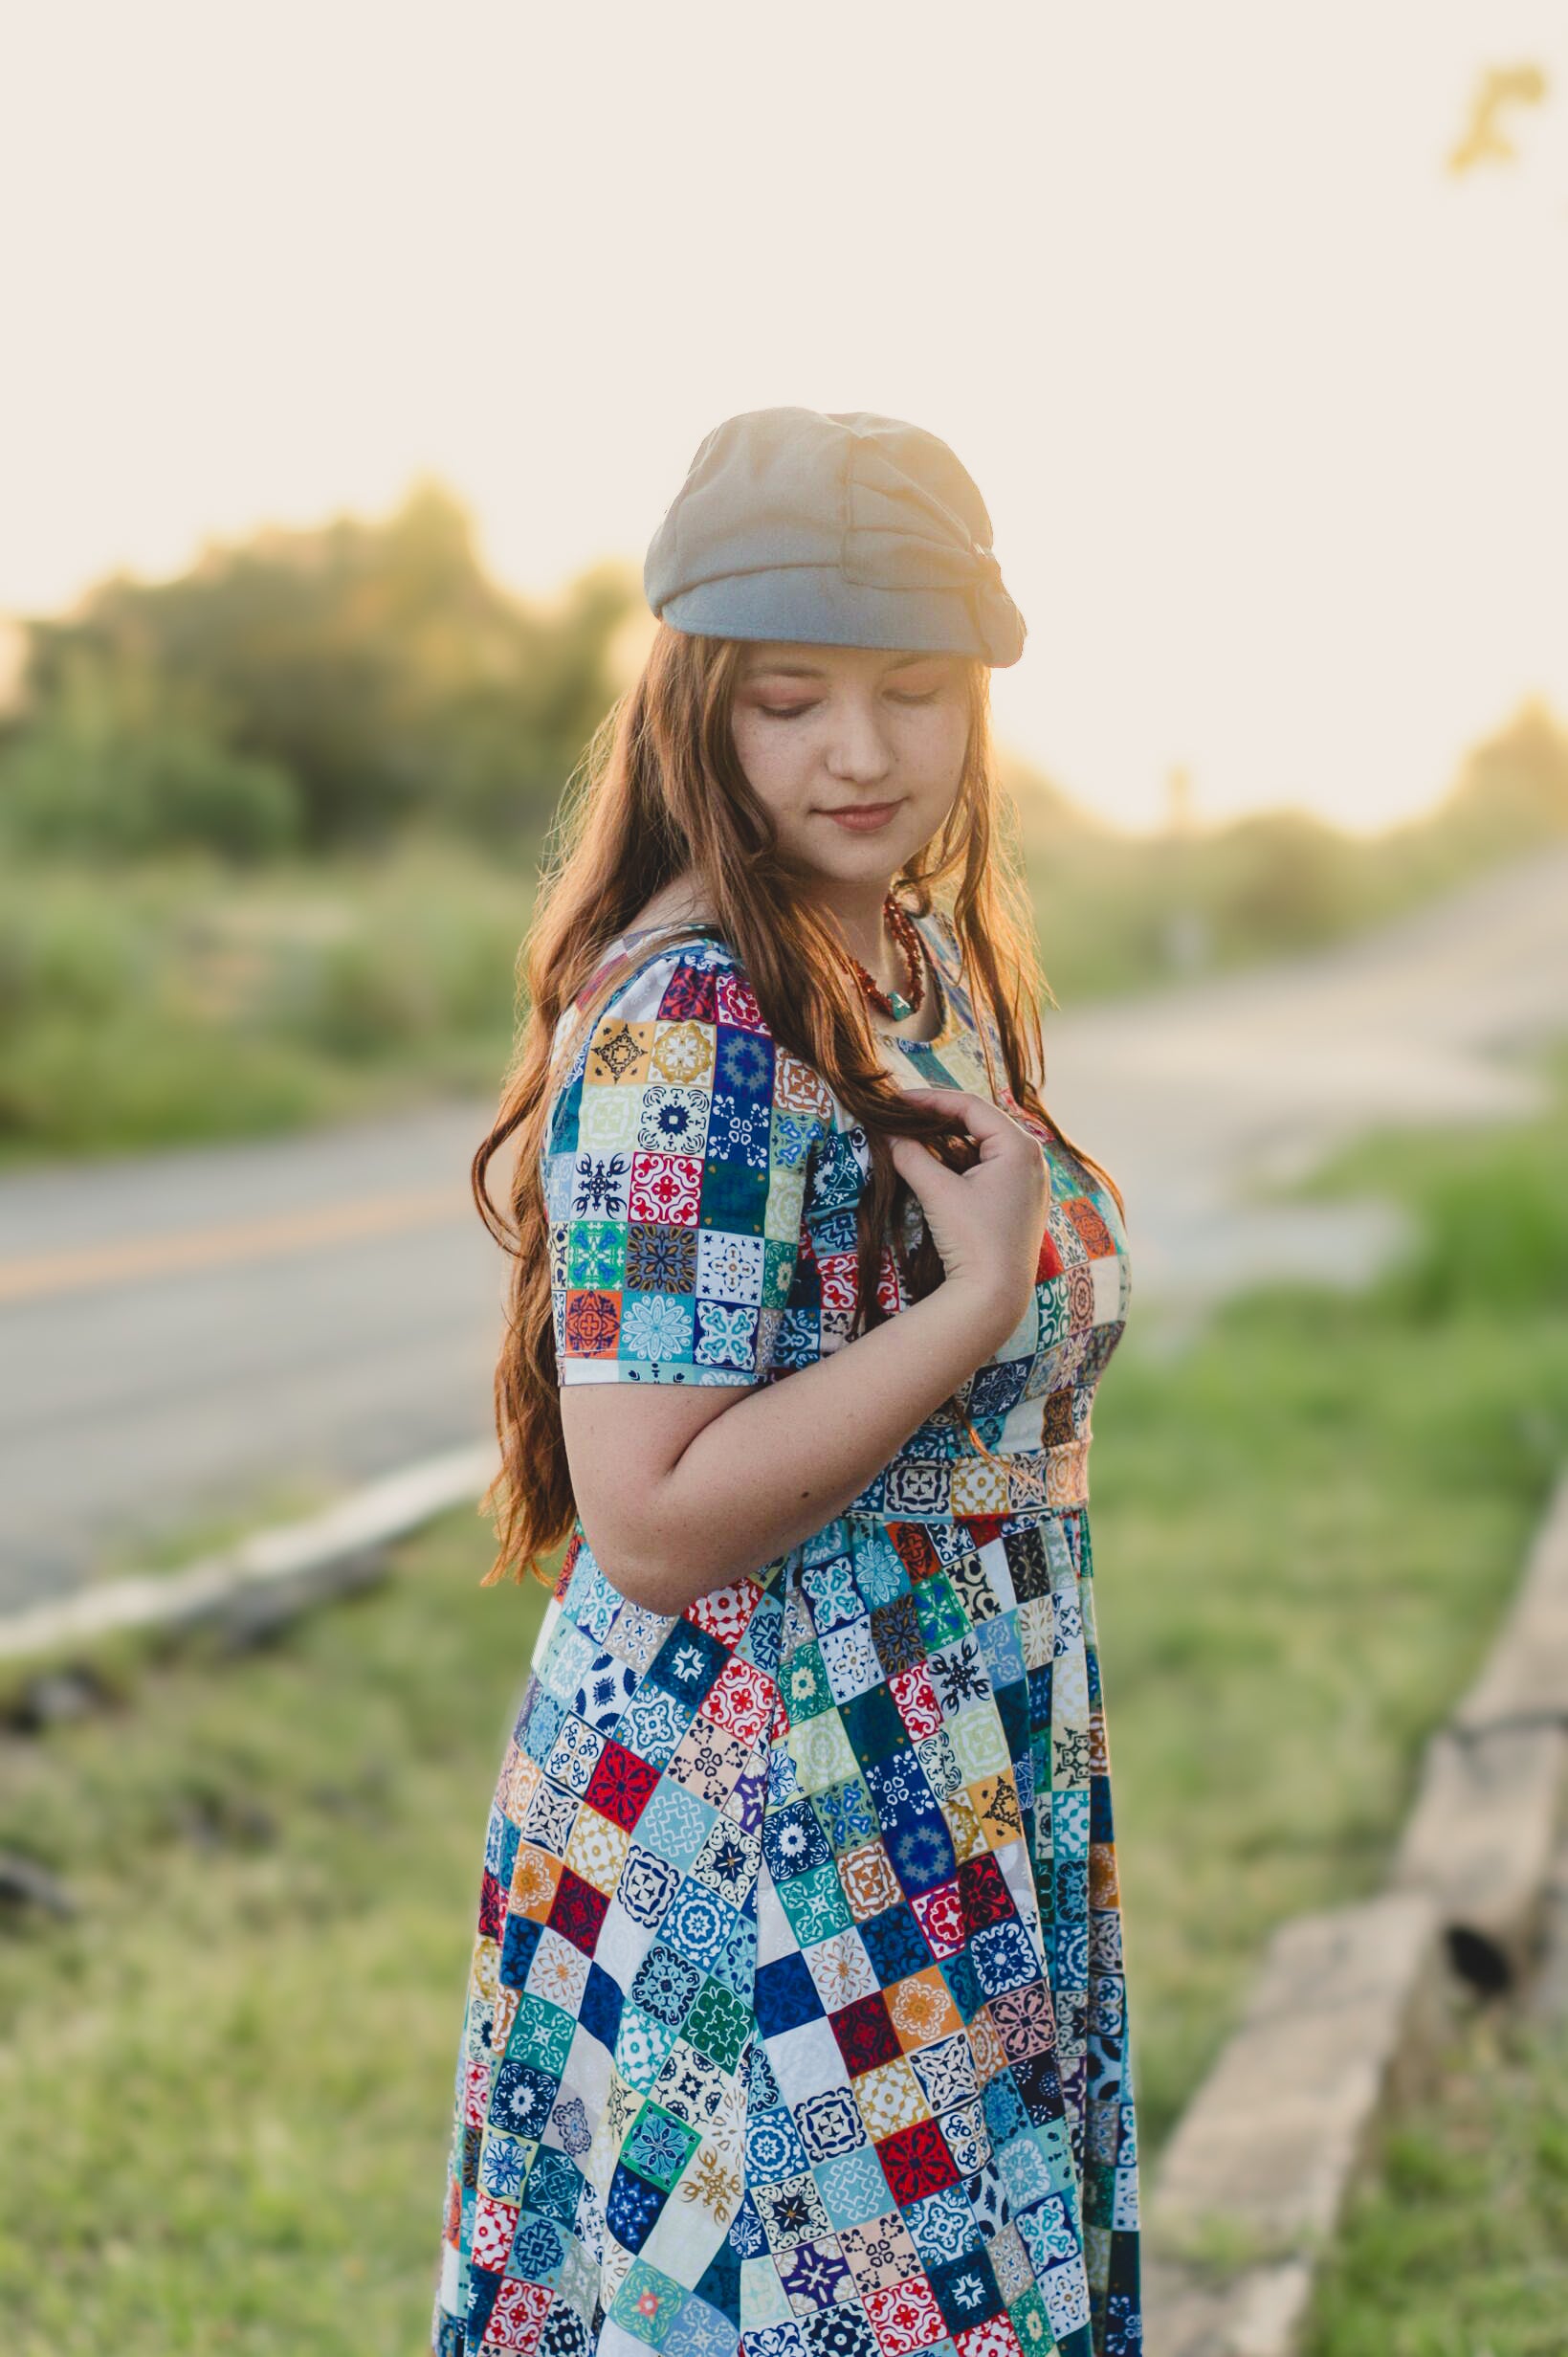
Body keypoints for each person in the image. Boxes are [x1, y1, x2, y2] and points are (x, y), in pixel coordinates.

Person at [430, 407, 1142, 2357]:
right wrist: (971, 1298)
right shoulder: (699, 1017)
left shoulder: (894, 950)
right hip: (764, 1813)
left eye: (913, 691)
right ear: (694, 713)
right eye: (789, 699)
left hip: (915, 1775)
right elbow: (652, 1519)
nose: (860, 750)